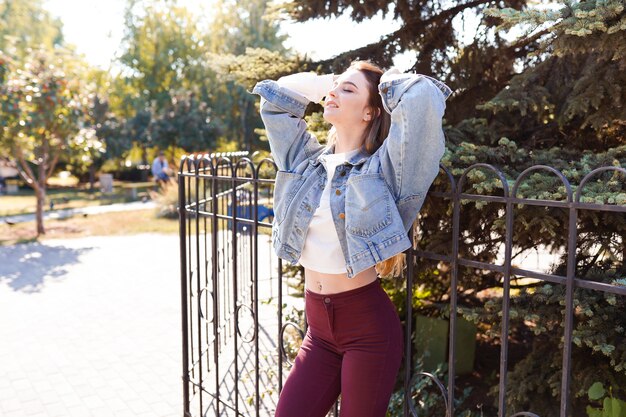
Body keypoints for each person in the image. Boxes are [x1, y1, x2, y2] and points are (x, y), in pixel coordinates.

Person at [252, 61, 452, 417]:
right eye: (335, 88)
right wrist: (330, 82)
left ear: (370, 111)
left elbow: (423, 97)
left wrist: (384, 82)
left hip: (368, 333)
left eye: (348, 91)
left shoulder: (384, 170)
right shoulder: (304, 162)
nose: (333, 94)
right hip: (319, 333)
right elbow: (276, 101)